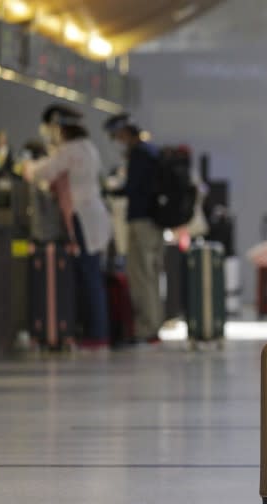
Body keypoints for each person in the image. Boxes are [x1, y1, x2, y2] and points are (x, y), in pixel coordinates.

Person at [23, 105, 112, 349]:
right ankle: (96, 330)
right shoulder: (87, 147)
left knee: (89, 274)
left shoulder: (70, 150)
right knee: (91, 273)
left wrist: (27, 167)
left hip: (83, 217)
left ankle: (96, 333)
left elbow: (43, 171)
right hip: (90, 215)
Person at [103, 114, 162, 344]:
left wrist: (110, 191)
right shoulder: (152, 152)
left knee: (140, 276)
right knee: (152, 276)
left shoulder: (139, 154)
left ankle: (146, 327)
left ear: (125, 133)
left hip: (141, 221)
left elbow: (133, 188)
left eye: (118, 136)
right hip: (154, 222)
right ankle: (153, 325)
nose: (118, 140)